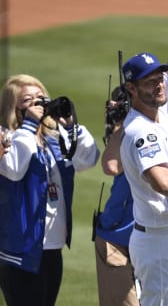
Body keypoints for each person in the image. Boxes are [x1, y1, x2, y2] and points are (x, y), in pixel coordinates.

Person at [94, 85, 168, 306]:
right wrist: (122, 124)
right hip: (117, 235)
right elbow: (111, 166)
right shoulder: (131, 132)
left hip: (159, 233)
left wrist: (165, 127)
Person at [0, 74, 100, 306]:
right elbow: (13, 169)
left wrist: (72, 127)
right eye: (28, 100)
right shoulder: (7, 137)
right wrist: (29, 125)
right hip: (20, 246)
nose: (38, 103)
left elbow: (88, 159)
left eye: (41, 97)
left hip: (52, 244)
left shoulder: (55, 138)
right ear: (13, 106)